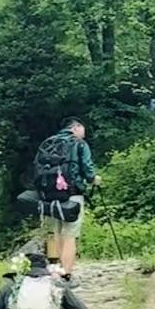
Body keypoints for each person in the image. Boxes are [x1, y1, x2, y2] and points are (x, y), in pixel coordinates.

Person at [34, 118, 97, 278]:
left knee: (57, 232)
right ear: (76, 127)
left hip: (49, 196)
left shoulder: (49, 143)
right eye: (82, 129)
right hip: (72, 194)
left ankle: (59, 268)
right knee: (70, 234)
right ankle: (66, 273)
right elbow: (88, 169)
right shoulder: (78, 143)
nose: (84, 133)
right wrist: (94, 179)